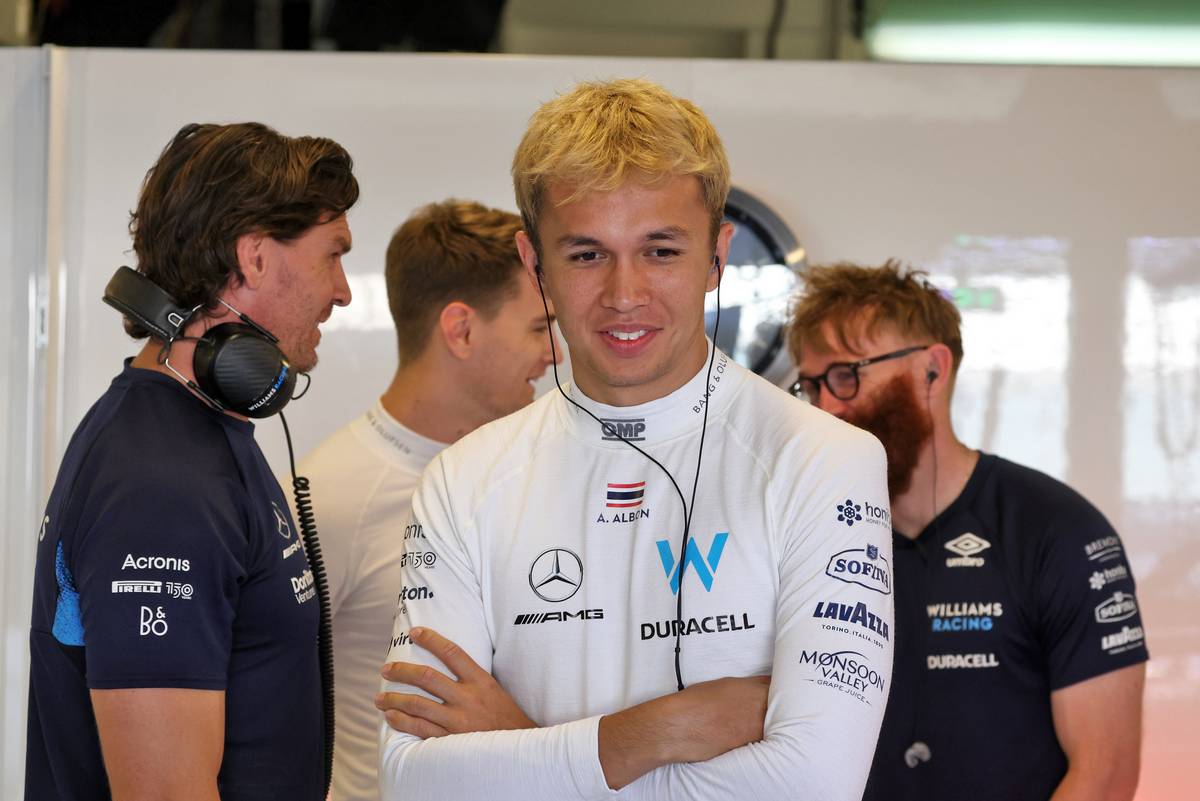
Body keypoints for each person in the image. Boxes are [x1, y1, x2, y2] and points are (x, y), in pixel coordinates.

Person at [373, 78, 893, 800]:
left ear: (717, 256)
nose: (625, 296)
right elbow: (413, 782)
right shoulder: (463, 480)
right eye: (587, 255)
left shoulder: (824, 459)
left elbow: (814, 783)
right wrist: (654, 731)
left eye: (661, 251)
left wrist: (519, 746)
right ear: (535, 264)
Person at [25, 122, 358, 801]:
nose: (344, 290)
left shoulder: (194, 433)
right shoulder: (162, 485)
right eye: (332, 256)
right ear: (255, 257)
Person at [787, 260, 1148, 801]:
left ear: (932, 370)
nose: (827, 407)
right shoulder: (805, 534)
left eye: (846, 376)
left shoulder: (1057, 531)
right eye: (812, 386)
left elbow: (1106, 775)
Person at [297, 199, 561, 801]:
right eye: (539, 327)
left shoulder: (538, 473)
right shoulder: (329, 496)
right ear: (461, 330)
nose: (557, 354)